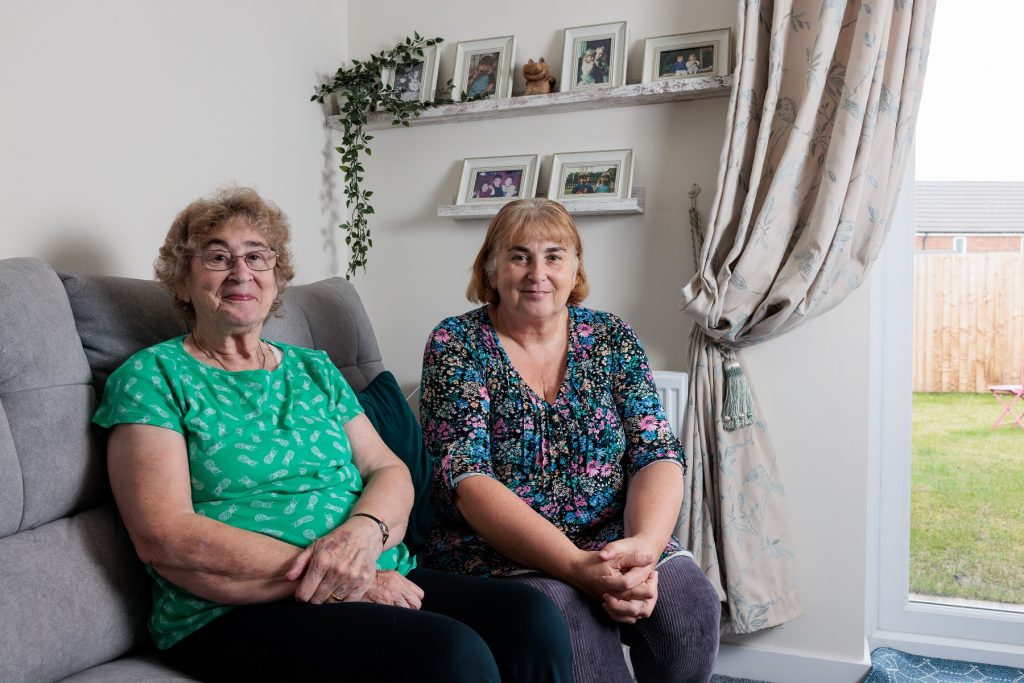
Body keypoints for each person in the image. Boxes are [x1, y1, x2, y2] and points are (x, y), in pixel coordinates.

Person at [93, 187, 572, 683]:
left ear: (277, 279)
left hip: (377, 567)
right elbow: (165, 536)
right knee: (449, 653)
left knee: (529, 617)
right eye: (218, 257)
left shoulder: (313, 369)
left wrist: (366, 530)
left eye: (257, 256)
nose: (241, 272)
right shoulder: (151, 378)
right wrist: (346, 579)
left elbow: (387, 469)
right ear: (183, 280)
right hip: (232, 609)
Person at [419, 198, 722, 683]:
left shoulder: (611, 336)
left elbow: (656, 451)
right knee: (569, 620)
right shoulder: (455, 343)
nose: (537, 272)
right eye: (518, 256)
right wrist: (577, 568)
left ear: (575, 268)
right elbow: (467, 479)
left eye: (554, 255)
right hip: (500, 550)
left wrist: (643, 552)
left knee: (688, 602)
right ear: (491, 269)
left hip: (610, 537)